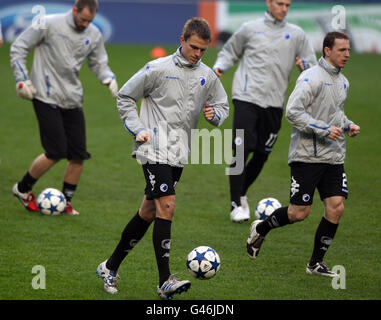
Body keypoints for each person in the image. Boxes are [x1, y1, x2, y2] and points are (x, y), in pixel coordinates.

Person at [96, 17, 229, 299]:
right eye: (194, 47)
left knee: (148, 211)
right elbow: (124, 97)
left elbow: (221, 105)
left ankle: (109, 267)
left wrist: (214, 116)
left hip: (179, 154)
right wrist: (138, 128)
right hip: (153, 149)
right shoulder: (157, 68)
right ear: (182, 40)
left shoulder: (207, 75)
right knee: (167, 205)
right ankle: (165, 280)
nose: (197, 54)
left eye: (203, 50)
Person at [246, 31, 360, 277]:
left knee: (336, 208)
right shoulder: (310, 78)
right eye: (342, 50)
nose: (347, 55)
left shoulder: (344, 82)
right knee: (299, 213)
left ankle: (315, 263)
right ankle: (261, 228)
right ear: (327, 51)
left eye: (348, 50)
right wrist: (323, 129)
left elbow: (335, 114)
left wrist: (347, 124)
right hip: (306, 156)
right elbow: (293, 112)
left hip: (333, 157)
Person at [213, 0, 317, 222]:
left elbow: (312, 64)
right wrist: (219, 68)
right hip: (246, 97)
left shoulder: (296, 34)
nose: (284, 8)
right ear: (269, 3)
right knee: (241, 150)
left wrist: (306, 67)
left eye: (287, 5)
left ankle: (241, 193)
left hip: (275, 103)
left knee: (262, 154)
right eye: (279, 3)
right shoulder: (250, 28)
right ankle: (235, 205)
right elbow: (230, 51)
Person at [10, 0, 118, 215]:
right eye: (82, 19)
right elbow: (19, 47)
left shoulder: (94, 34)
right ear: (74, 10)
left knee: (78, 154)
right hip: (44, 95)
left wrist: (108, 78)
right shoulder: (48, 24)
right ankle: (22, 189)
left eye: (89, 21)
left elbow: (98, 62)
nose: (85, 24)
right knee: (56, 151)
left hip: (72, 98)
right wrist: (22, 79)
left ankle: (66, 201)